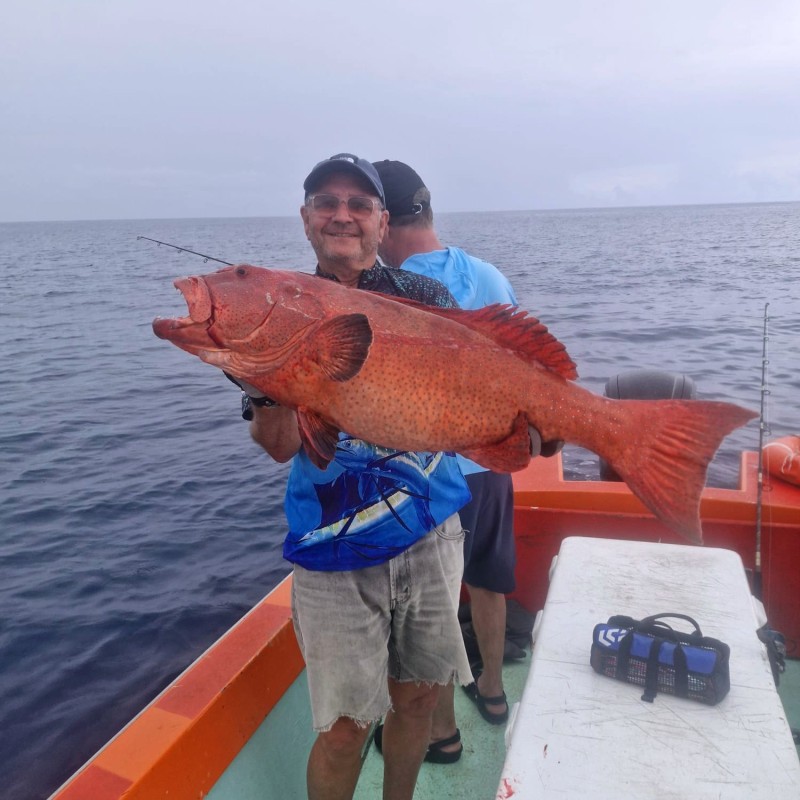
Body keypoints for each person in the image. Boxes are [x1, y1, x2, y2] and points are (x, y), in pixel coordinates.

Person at [238, 153, 475, 800]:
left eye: (358, 204)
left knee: (420, 700)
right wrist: (270, 379)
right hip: (332, 543)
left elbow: (460, 405)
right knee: (344, 729)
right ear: (306, 219)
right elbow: (282, 448)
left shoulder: (427, 298)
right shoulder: (274, 309)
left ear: (382, 222)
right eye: (325, 201)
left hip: (430, 530)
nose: (341, 214)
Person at [372, 158, 561, 762]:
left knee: (434, 599)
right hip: (494, 470)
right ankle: (496, 692)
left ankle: (443, 734)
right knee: (487, 581)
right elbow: (524, 363)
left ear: (385, 223)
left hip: (434, 476)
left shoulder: (388, 292)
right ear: (427, 210)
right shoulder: (487, 273)